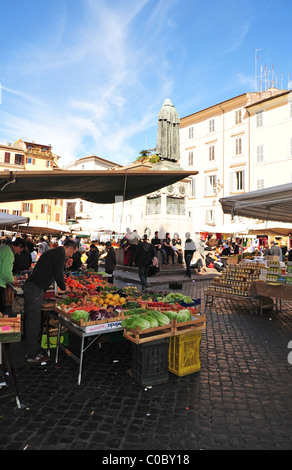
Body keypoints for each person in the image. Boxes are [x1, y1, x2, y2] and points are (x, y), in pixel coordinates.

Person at [23, 239, 77, 363]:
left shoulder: (55, 252)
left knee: (33, 321)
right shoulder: (59, 254)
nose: (72, 255)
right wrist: (64, 288)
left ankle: (33, 350)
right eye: (73, 252)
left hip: (33, 288)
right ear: (70, 249)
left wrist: (65, 266)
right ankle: (32, 354)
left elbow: (54, 270)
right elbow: (58, 275)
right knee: (33, 323)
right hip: (35, 289)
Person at [0, 238, 26, 314]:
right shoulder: (9, 253)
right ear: (19, 246)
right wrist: (13, 280)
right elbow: (6, 273)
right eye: (20, 250)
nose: (18, 253)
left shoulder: (4, 248)